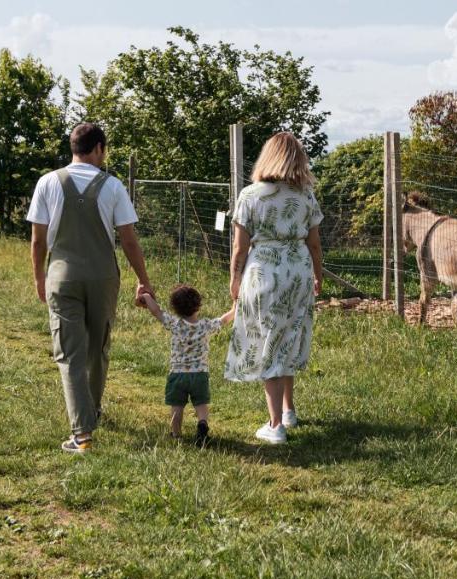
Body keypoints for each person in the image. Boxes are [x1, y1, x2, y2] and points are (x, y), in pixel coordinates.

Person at [28, 122, 153, 454]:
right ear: (98, 147)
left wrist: (39, 277)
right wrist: (143, 278)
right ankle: (91, 411)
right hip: (103, 277)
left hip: (62, 275)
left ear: (73, 148)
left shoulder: (47, 183)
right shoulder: (113, 186)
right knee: (97, 349)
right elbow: (128, 240)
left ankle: (82, 434)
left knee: (70, 354)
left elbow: (38, 240)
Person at [226, 131, 324, 444]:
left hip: (264, 271)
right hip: (298, 269)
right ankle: (288, 410)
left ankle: (274, 425)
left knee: (270, 340)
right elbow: (315, 244)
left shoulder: (250, 195)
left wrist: (235, 277)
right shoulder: (305, 194)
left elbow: (240, 247)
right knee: (289, 336)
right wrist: (318, 275)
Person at [135, 284, 235, 447]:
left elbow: (156, 311)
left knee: (177, 405)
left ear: (176, 309)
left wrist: (146, 297)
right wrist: (234, 307)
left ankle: (176, 435)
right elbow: (224, 320)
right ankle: (202, 423)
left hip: (178, 374)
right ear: (198, 306)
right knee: (201, 403)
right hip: (200, 374)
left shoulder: (175, 324)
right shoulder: (204, 326)